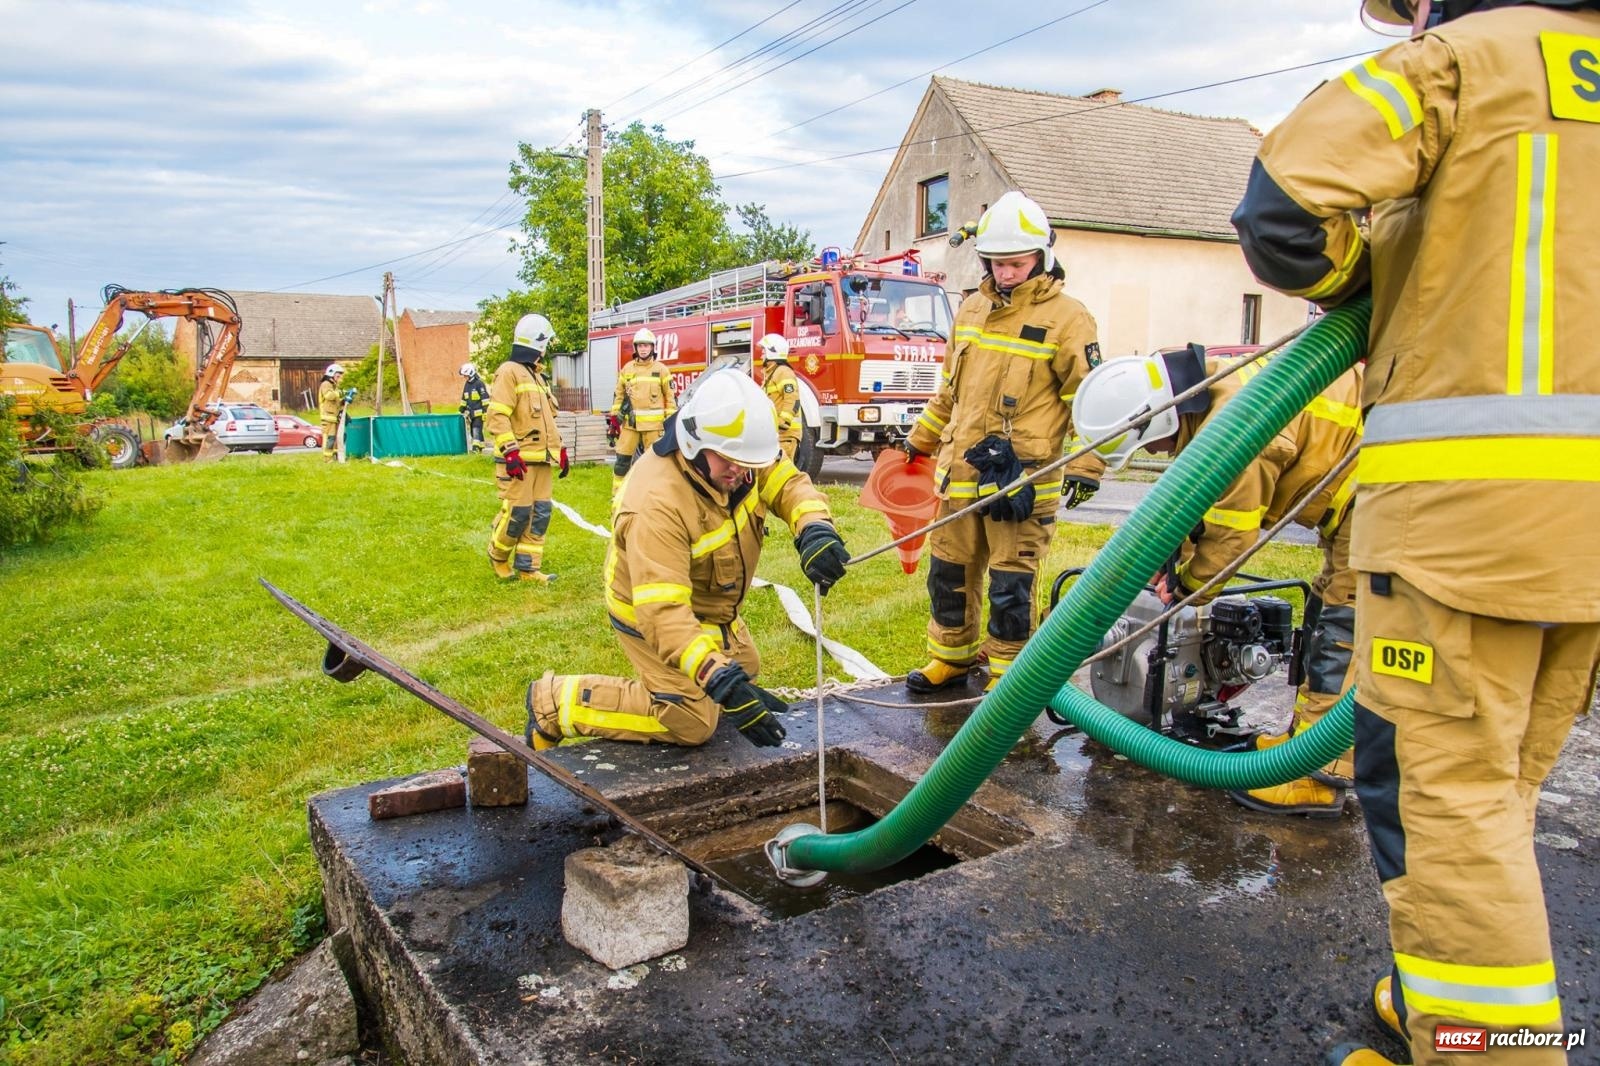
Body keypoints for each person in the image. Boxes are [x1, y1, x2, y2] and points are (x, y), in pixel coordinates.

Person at [1231, 1, 1600, 1063]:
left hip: (1467, 529)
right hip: (1582, 546)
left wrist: (1372, 276)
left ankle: (1488, 1050)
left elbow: (1283, 206)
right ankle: (1431, 1003)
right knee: (1501, 790)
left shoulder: (1459, 63)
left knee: (1443, 800)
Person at [1073, 346, 1365, 817]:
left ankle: (1319, 771)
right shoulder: (1211, 388)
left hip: (1381, 497)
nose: (1154, 454)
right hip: (1360, 499)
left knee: (1344, 625)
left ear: (1160, 421)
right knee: (1326, 608)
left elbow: (1230, 538)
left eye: (1150, 446)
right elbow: (1202, 504)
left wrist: (1188, 587)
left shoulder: (1232, 428)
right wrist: (1171, 558)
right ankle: (1313, 740)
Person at [525, 368, 850, 748]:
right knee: (692, 721)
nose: (740, 471)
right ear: (694, 443)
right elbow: (663, 613)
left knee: (746, 671)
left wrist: (814, 527)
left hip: (710, 607)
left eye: (745, 460)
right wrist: (716, 679)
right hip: (650, 610)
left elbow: (786, 480)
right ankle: (557, 702)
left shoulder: (732, 451)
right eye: (728, 460)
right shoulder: (656, 502)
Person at [901, 190, 1106, 695]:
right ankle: (950, 658)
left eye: (1016, 263)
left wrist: (1088, 465)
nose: (1006, 272)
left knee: (1011, 584)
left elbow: (1092, 401)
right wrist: (921, 441)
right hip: (961, 475)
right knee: (948, 571)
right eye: (996, 262)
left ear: (1043, 255)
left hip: (1021, 482)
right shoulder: (970, 309)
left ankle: (1008, 675)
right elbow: (950, 390)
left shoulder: (1069, 318)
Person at [485, 313, 568, 584]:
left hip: (540, 460)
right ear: (539, 342)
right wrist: (510, 451)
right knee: (518, 514)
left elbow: (546, 420)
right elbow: (497, 415)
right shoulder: (509, 372)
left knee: (540, 515)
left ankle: (528, 569)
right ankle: (498, 556)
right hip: (518, 461)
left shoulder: (536, 376)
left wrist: (560, 450)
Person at [610, 326, 676, 501]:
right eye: (640, 346)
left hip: (654, 428)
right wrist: (614, 419)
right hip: (630, 426)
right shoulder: (627, 369)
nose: (643, 349)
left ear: (653, 348)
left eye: (646, 346)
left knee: (655, 464)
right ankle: (618, 497)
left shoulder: (661, 370)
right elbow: (619, 395)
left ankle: (654, 497)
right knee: (622, 461)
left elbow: (670, 399)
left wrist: (670, 425)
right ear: (636, 348)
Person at [758, 333, 803, 461]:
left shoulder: (783, 372)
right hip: (777, 435)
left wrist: (784, 421)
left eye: (764, 351)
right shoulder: (772, 373)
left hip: (786, 435)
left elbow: (792, 398)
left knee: (782, 474)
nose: (762, 354)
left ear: (772, 352)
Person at [317, 363, 346, 462]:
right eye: (338, 376)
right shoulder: (326, 384)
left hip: (334, 417)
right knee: (329, 438)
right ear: (331, 374)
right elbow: (329, 396)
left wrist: (344, 401)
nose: (339, 378)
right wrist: (341, 393)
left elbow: (336, 402)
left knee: (335, 439)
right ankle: (327, 459)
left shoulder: (334, 386)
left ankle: (335, 457)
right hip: (327, 418)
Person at [459, 361, 489, 452]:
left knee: (476, 428)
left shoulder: (479, 384)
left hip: (479, 413)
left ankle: (475, 448)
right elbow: (464, 397)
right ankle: (481, 446)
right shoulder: (467, 384)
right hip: (471, 413)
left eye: (465, 375)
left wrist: (485, 411)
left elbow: (485, 399)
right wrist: (462, 407)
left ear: (471, 373)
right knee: (473, 430)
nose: (464, 377)